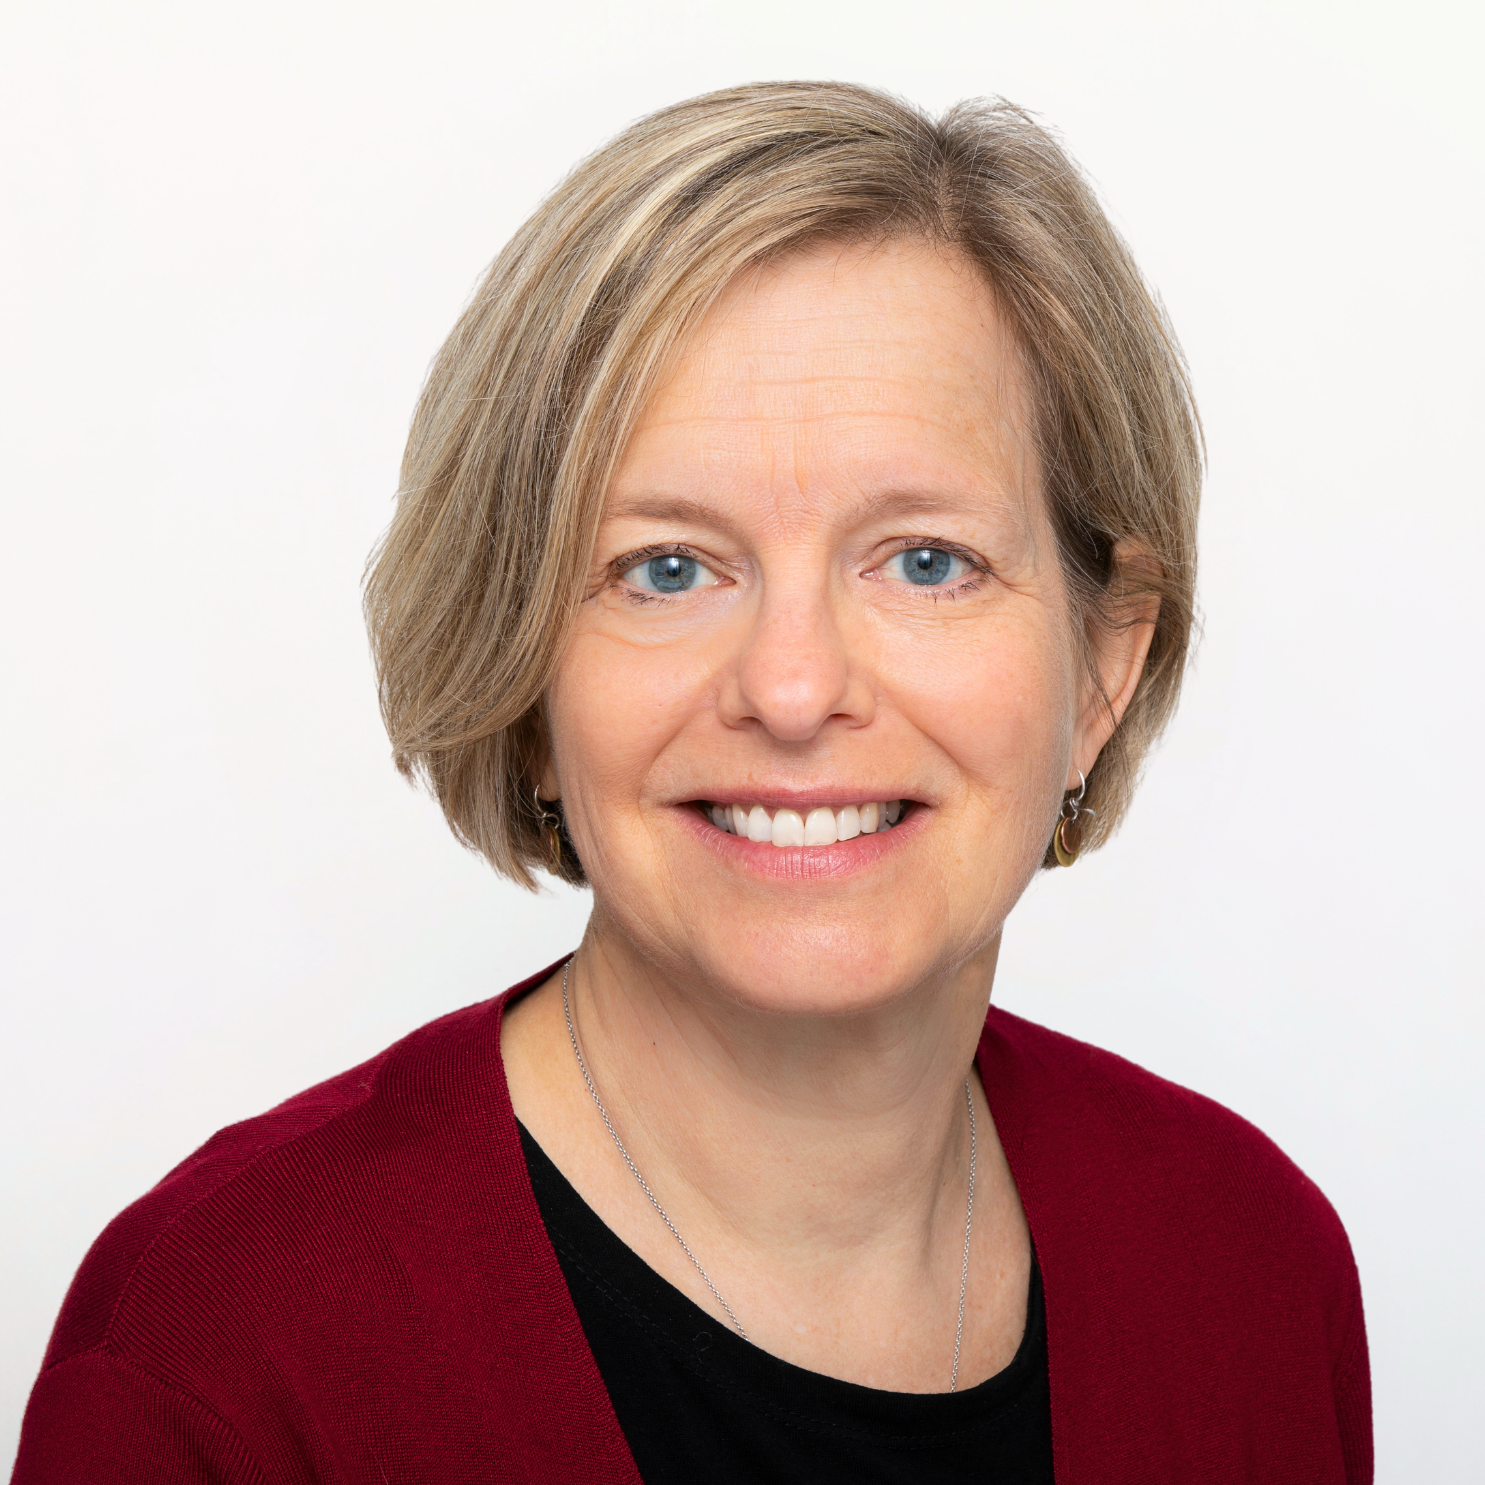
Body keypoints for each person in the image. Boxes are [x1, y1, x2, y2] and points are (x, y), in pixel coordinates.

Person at [12, 83, 1370, 1484]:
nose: (792, 689)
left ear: (1103, 666)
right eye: (666, 569)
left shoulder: (1252, 1265)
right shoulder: (219, 1357)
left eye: (926, 561)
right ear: (523, 683)